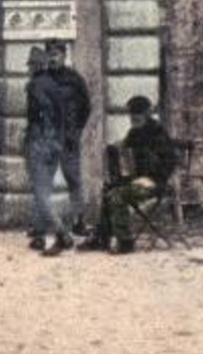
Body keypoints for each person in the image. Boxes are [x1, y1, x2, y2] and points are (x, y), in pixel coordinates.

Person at [90, 95, 178, 255]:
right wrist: (118, 148)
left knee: (117, 195)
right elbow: (125, 151)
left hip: (154, 182)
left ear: (146, 114)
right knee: (108, 189)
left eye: (136, 115)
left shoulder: (158, 133)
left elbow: (169, 162)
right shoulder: (134, 132)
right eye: (131, 115)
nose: (133, 119)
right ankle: (101, 237)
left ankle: (125, 242)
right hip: (135, 179)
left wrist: (152, 174)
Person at [23, 45, 73, 256]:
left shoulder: (35, 86)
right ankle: (39, 236)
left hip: (40, 142)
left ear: (36, 66)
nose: (28, 69)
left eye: (30, 65)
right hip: (55, 144)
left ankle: (62, 234)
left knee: (40, 192)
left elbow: (42, 112)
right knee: (43, 188)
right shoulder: (54, 84)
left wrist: (37, 134)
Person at [48, 41, 93, 236]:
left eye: (57, 53)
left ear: (64, 55)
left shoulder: (74, 79)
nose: (53, 57)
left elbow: (86, 107)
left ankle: (79, 221)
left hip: (68, 138)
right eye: (50, 53)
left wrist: (76, 130)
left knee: (73, 180)